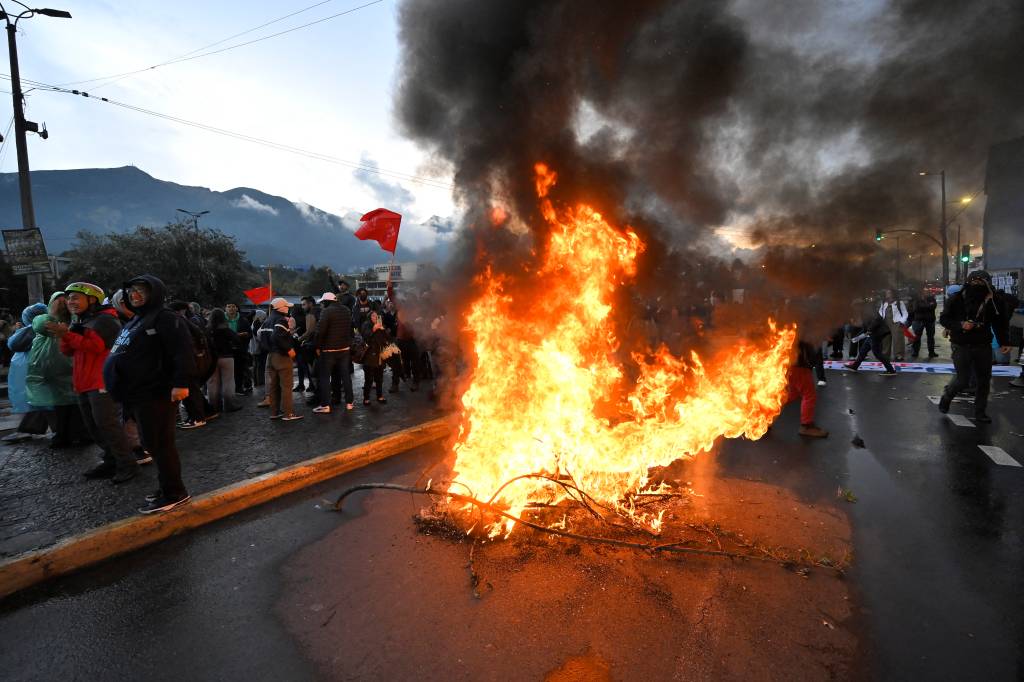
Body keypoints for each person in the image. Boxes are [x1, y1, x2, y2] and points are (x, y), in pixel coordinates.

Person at [104, 275, 195, 513]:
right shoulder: (137, 320)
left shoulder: (165, 318)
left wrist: (180, 383)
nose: (134, 295)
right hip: (137, 394)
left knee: (160, 443)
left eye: (141, 291)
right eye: (131, 291)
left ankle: (175, 492)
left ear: (154, 293)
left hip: (156, 393)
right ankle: (166, 487)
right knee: (150, 442)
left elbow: (182, 351)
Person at [50, 282, 140, 483]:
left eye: (75, 297)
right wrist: (65, 336)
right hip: (83, 381)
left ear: (91, 299)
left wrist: (67, 334)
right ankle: (111, 461)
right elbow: (68, 351)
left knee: (107, 425)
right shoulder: (82, 320)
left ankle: (128, 464)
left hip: (101, 381)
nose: (70, 301)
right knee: (93, 427)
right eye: (69, 297)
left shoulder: (105, 320)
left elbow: (96, 347)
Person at [937, 270, 1012, 423]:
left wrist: (1004, 341)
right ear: (968, 282)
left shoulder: (994, 301)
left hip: (983, 345)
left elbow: (1000, 323)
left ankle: (980, 412)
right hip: (961, 344)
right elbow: (944, 319)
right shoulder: (957, 299)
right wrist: (960, 325)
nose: (977, 285)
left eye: (981, 282)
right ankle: (947, 396)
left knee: (983, 380)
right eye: (974, 282)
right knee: (962, 380)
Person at [26, 292, 88, 447]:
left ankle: (81, 435)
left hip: (74, 370)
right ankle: (62, 435)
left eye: (64, 301)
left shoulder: (77, 320)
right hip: (53, 375)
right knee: (60, 407)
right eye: (57, 301)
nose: (62, 304)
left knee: (77, 405)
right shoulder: (42, 319)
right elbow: (43, 326)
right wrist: (53, 314)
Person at [169, 300, 215, 428]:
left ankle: (197, 417)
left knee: (190, 390)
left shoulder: (180, 321)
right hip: (196, 358)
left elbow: (187, 341)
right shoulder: (188, 320)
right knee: (193, 389)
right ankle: (207, 412)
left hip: (190, 359)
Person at [259, 297, 303, 421]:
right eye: (287, 307)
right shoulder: (280, 320)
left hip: (270, 356)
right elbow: (277, 336)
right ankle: (288, 413)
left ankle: (274, 412)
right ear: (282, 308)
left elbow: (260, 336)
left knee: (274, 386)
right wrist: (289, 349)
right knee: (286, 386)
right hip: (281, 356)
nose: (288, 309)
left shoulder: (266, 321)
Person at [313, 291, 354, 413]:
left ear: (327, 301)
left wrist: (317, 346)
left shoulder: (326, 311)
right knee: (346, 376)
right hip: (344, 349)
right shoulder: (346, 310)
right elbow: (350, 328)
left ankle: (325, 405)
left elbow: (320, 331)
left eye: (323, 302)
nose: (322, 304)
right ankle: (349, 403)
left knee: (325, 377)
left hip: (329, 350)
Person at [784, 340, 828, 437]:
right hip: (799, 366)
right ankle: (806, 426)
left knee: (792, 395)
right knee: (809, 395)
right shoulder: (804, 329)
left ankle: (765, 413)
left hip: (793, 365)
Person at [844, 301, 898, 375]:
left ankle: (891, 370)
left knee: (877, 354)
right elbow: (865, 328)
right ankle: (855, 366)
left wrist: (870, 329)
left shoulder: (868, 311)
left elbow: (877, 319)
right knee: (863, 351)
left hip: (876, 335)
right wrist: (856, 337)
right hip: (872, 335)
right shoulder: (863, 313)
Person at [207, 308, 241, 414]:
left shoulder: (207, 330)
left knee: (212, 383)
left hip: (212, 359)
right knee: (228, 382)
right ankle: (229, 405)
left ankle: (213, 406)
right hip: (226, 357)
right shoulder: (226, 330)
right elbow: (237, 341)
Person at [360, 309, 392, 405]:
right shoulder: (366, 325)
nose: (375, 317)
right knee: (369, 379)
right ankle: (366, 398)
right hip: (369, 356)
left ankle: (380, 396)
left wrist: (383, 330)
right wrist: (374, 329)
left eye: (377, 316)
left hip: (379, 356)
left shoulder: (380, 325)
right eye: (373, 316)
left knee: (379, 378)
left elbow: (387, 339)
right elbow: (366, 336)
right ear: (369, 317)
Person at [225, 302, 253, 395]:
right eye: (229, 306)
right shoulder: (222, 320)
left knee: (239, 370)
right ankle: (227, 390)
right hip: (226, 350)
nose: (231, 308)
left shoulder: (243, 320)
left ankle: (238, 388)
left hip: (240, 349)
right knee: (227, 371)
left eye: (233, 306)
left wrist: (243, 335)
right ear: (225, 308)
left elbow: (250, 334)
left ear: (237, 308)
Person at [294, 296, 318, 393]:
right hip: (322, 344)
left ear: (310, 304)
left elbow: (309, 332)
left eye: (304, 304)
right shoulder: (322, 311)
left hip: (312, 346)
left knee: (312, 370)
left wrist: (299, 339)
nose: (302, 307)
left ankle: (317, 392)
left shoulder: (310, 314)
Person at [879, 290, 909, 361]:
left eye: (889, 293)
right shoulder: (884, 302)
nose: (887, 294)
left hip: (896, 323)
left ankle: (899, 355)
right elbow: (880, 311)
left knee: (898, 339)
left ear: (893, 294)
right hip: (885, 323)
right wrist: (881, 318)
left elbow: (905, 312)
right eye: (886, 293)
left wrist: (901, 321)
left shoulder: (899, 302)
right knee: (885, 339)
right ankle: (885, 355)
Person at [909, 290, 938, 359]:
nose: (925, 293)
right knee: (917, 337)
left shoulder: (931, 298)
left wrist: (923, 306)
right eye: (924, 292)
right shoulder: (917, 299)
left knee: (931, 337)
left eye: (926, 292)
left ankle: (931, 352)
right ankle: (915, 352)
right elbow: (916, 308)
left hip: (930, 320)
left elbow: (934, 306)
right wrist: (928, 306)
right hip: (919, 320)